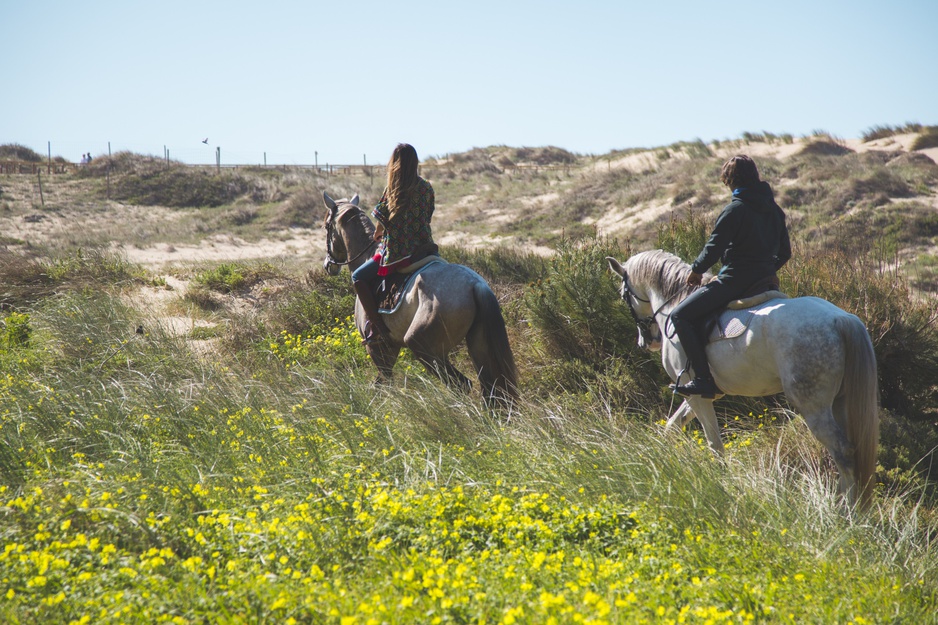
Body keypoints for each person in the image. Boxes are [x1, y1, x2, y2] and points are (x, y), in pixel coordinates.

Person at [670, 154, 792, 398]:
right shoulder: (775, 210)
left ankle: (703, 380)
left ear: (731, 181)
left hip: (734, 281)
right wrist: (764, 270)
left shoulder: (735, 209)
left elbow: (714, 247)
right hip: (766, 281)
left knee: (680, 315)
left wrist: (696, 270)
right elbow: (785, 253)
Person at [351, 143, 436, 344]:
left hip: (398, 251)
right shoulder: (426, 187)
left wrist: (378, 234)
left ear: (395, 164)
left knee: (358, 276)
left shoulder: (393, 189)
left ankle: (377, 326)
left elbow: (380, 225)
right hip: (424, 248)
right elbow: (428, 216)